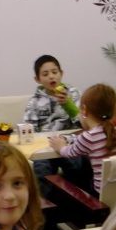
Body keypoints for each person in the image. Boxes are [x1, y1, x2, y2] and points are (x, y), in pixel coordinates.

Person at [23, 54, 91, 192]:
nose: (51, 76)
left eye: (54, 72)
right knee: (41, 171)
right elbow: (28, 129)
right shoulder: (34, 101)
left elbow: (86, 124)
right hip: (44, 147)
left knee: (78, 167)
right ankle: (46, 203)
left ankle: (81, 199)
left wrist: (68, 104)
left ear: (61, 73)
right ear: (37, 79)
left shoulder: (73, 94)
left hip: (70, 143)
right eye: (45, 74)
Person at [49, 83, 116, 195]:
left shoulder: (89, 137)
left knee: (69, 178)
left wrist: (60, 146)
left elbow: (69, 153)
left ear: (84, 110)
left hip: (99, 197)